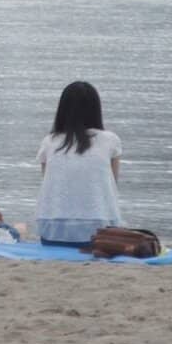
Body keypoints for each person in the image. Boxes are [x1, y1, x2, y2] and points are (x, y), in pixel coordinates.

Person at [36, 80, 122, 245]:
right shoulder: (110, 140)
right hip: (99, 232)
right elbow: (112, 185)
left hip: (52, 231)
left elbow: (48, 183)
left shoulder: (50, 141)